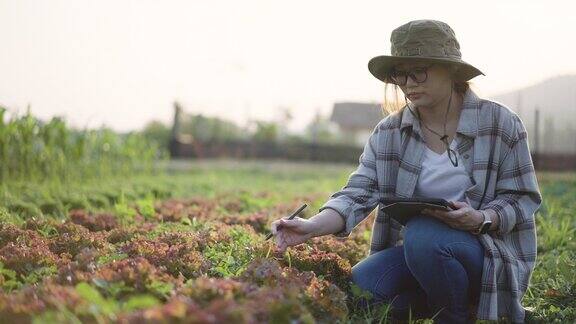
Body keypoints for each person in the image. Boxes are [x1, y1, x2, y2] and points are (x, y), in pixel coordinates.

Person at [270, 19, 542, 324]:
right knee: (363, 287)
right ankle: (451, 299)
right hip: (421, 253)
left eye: (419, 71)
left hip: (485, 252)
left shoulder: (500, 123)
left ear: (451, 70)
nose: (409, 83)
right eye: (400, 74)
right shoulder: (389, 132)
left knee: (423, 235)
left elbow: (522, 197)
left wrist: (480, 218)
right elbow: (358, 192)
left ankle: (454, 316)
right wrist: (312, 226)